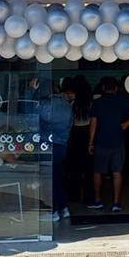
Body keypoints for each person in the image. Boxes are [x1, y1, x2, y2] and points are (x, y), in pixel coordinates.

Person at [88, 76, 129, 212]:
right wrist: (126, 124)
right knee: (117, 172)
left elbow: (93, 124)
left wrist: (90, 142)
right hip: (118, 141)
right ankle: (116, 203)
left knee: (97, 172)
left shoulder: (97, 103)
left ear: (103, 88)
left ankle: (98, 200)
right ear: (116, 88)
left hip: (101, 141)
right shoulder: (122, 100)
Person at [30, 76, 75, 221]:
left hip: (48, 146)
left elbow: (31, 112)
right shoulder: (66, 104)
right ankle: (63, 207)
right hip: (62, 145)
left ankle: (53, 211)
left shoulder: (46, 105)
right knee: (57, 178)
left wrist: (33, 92)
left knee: (49, 179)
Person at [67, 75, 94, 203]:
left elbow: (69, 122)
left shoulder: (73, 104)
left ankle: (74, 195)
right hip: (88, 132)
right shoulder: (91, 103)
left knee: (75, 167)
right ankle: (89, 197)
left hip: (75, 133)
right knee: (89, 168)